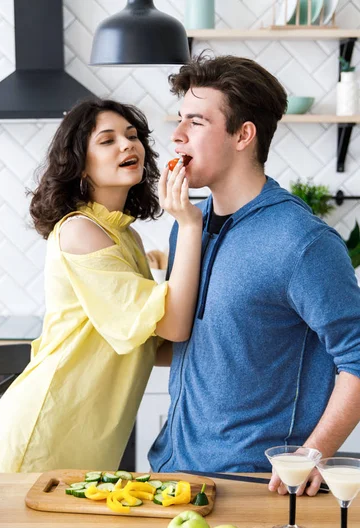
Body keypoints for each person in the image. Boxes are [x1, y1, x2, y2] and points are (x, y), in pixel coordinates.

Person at [148, 55, 360, 496]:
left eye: (197, 122)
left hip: (253, 485)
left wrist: (312, 453)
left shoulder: (301, 242)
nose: (177, 135)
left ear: (244, 135)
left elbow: (357, 357)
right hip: (174, 475)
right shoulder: (188, 224)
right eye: (180, 119)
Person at [0, 98, 202, 473]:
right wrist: (190, 224)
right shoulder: (81, 232)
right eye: (108, 140)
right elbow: (173, 325)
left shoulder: (123, 234)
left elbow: (151, 343)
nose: (127, 145)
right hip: (46, 429)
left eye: (132, 136)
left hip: (86, 433)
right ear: (80, 164)